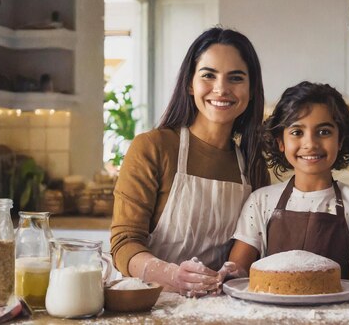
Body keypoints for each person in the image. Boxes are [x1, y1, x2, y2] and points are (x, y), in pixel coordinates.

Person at [110, 27, 270, 296]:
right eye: (208, 75)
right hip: (149, 301)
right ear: (189, 83)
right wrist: (171, 275)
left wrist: (237, 270)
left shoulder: (252, 165)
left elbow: (253, 245)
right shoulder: (153, 147)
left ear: (251, 90)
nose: (221, 89)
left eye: (236, 78)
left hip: (218, 306)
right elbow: (124, 244)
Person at [227, 81, 349, 279]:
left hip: (335, 308)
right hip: (272, 307)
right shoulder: (260, 201)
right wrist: (227, 272)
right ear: (280, 142)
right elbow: (238, 269)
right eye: (297, 132)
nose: (310, 143)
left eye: (324, 132)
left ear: (340, 140)